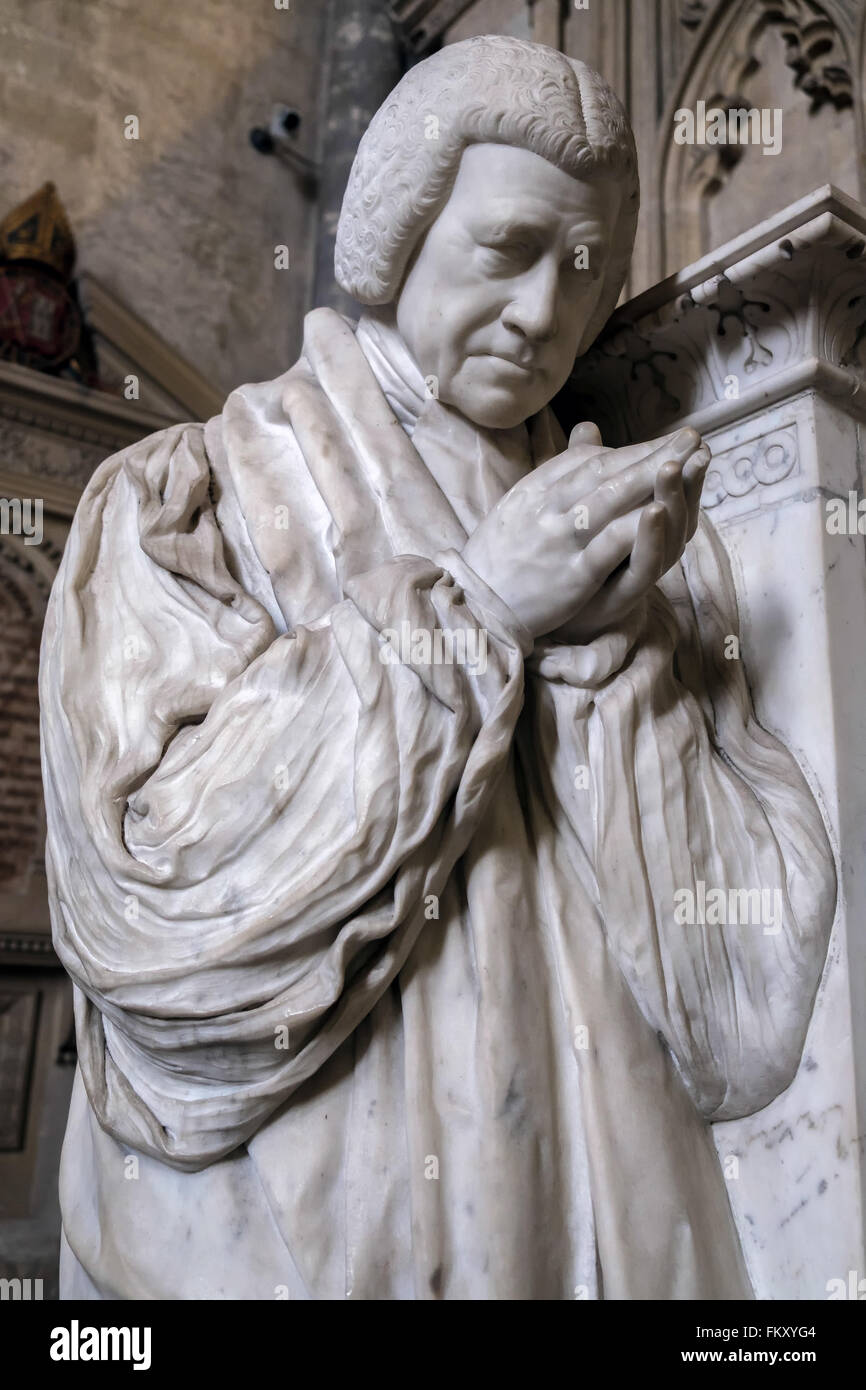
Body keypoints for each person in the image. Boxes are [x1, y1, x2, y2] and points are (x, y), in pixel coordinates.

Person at [41, 35, 834, 1300]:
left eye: (580, 271)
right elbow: (154, 906)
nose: (542, 313)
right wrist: (474, 612)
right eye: (504, 249)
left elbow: (743, 1024)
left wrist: (603, 671)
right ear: (397, 240)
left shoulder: (661, 565)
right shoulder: (194, 497)